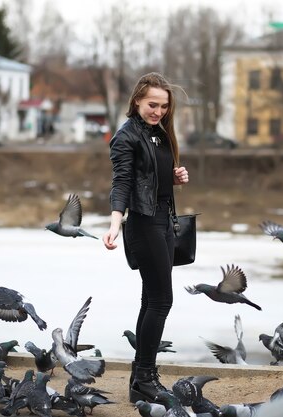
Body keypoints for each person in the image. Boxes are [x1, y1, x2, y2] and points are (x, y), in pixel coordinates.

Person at [102, 72, 189, 403]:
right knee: (161, 301)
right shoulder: (126, 137)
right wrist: (114, 223)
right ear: (137, 100)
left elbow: (151, 177)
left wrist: (174, 177)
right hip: (143, 224)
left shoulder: (158, 134)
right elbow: (122, 182)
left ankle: (141, 379)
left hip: (164, 221)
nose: (159, 111)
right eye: (153, 104)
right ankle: (145, 377)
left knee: (150, 300)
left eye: (164, 106)